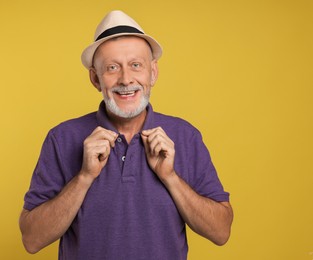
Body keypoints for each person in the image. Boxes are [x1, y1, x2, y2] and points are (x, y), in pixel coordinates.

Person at [19, 10, 233, 260]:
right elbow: (32, 239)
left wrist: (171, 177)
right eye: (112, 68)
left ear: (152, 73)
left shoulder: (186, 137)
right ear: (95, 78)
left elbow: (221, 232)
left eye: (135, 65)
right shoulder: (62, 138)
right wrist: (85, 177)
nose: (125, 79)